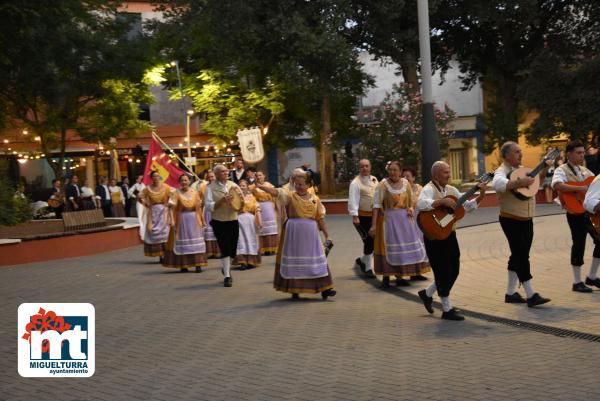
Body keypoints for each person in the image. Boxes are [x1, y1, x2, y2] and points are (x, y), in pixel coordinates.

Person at [416, 161, 486, 321]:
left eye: (448, 172)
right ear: (435, 175)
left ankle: (427, 293)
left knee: (454, 269)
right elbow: (420, 204)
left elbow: (467, 206)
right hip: (434, 235)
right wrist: (440, 202)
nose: (449, 175)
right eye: (445, 172)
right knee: (441, 270)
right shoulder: (428, 189)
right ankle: (447, 309)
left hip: (449, 233)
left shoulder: (452, 190)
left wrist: (481, 195)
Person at [258, 170, 336, 300]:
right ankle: (294, 289)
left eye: (301, 184)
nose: (298, 186)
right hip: (294, 234)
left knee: (317, 260)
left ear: (308, 185)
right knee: (295, 261)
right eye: (296, 184)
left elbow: (320, 218)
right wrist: (262, 187)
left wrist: (328, 236)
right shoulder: (290, 196)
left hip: (311, 235)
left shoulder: (315, 199)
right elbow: (276, 192)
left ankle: (325, 289)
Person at [492, 141, 551, 308]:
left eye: (520, 151)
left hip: (527, 219)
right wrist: (519, 183)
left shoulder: (523, 170)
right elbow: (497, 185)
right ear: (506, 156)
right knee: (521, 255)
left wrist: (545, 168)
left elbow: (535, 184)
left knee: (518, 254)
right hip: (511, 219)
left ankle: (510, 293)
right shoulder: (501, 171)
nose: (521, 154)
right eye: (517, 152)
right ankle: (531, 294)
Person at [369, 161, 430, 288]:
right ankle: (387, 276)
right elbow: (376, 205)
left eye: (395, 170)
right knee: (390, 247)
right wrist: (374, 225)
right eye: (390, 170)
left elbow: (412, 200)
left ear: (400, 171)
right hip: (389, 220)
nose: (392, 172)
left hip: (404, 220)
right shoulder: (383, 185)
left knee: (402, 248)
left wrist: (411, 208)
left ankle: (400, 275)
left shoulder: (406, 183)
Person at [552, 140, 598, 293]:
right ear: (569, 154)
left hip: (589, 211)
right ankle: (576, 282)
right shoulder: (561, 169)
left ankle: (591, 276)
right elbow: (557, 185)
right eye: (578, 153)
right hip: (574, 212)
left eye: (583, 152)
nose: (582, 155)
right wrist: (580, 188)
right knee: (579, 244)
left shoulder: (585, 171)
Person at [205, 164, 244, 287]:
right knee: (224, 246)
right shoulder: (210, 188)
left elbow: (241, 201)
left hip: (233, 219)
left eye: (226, 170)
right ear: (216, 174)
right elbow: (208, 206)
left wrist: (240, 204)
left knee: (232, 248)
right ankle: (227, 275)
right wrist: (222, 201)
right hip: (219, 221)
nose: (226, 172)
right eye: (222, 171)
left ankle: (226, 266)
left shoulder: (234, 185)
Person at [162, 173, 207, 273]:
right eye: (182, 180)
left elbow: (199, 207)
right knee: (183, 241)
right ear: (179, 182)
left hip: (194, 220)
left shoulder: (195, 192)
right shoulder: (176, 193)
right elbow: (171, 206)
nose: (184, 182)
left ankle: (198, 264)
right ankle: (184, 264)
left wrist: (202, 220)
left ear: (190, 181)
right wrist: (172, 220)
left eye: (186, 180)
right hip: (182, 220)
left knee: (195, 241)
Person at [348, 159, 378, 278]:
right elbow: (353, 200)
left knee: (373, 241)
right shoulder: (355, 183)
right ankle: (368, 268)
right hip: (362, 217)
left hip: (375, 216)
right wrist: (355, 216)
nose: (364, 168)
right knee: (368, 240)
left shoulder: (374, 179)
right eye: (362, 166)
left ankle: (362, 260)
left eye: (366, 166)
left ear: (370, 167)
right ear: (359, 168)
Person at [402, 166, 428, 281]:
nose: (405, 178)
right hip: (407, 221)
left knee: (420, 246)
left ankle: (418, 272)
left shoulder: (419, 188)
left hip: (419, 221)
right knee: (410, 246)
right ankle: (410, 272)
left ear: (413, 177)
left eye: (407, 176)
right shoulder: (400, 189)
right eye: (403, 176)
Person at [138, 170, 171, 260]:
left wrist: (169, 204)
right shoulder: (148, 189)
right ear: (151, 178)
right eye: (154, 176)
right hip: (153, 212)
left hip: (164, 212)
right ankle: (160, 254)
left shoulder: (166, 187)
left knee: (165, 232)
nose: (156, 178)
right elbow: (139, 196)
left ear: (160, 177)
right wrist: (146, 204)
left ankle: (167, 253)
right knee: (154, 232)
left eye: (157, 176)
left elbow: (173, 195)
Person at [233, 179, 262, 269]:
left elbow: (256, 208)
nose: (242, 187)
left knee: (250, 239)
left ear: (247, 187)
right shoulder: (235, 197)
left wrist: (259, 219)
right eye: (240, 185)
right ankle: (242, 262)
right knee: (240, 240)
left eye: (243, 185)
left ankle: (251, 261)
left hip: (250, 220)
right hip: (239, 219)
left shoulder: (252, 197)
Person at [251, 171, 279, 255]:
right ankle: (263, 248)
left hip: (269, 207)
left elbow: (275, 197)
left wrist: (275, 206)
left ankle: (272, 248)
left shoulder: (269, 185)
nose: (259, 177)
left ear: (264, 176)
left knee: (271, 228)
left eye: (260, 175)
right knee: (261, 227)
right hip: (259, 207)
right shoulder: (253, 187)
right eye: (257, 176)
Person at [201, 170, 220, 258]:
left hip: (218, 209)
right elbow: (200, 199)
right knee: (209, 231)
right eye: (209, 177)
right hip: (208, 211)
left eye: (212, 176)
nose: (210, 178)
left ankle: (219, 251)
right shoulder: (203, 187)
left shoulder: (220, 186)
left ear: (215, 176)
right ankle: (210, 251)